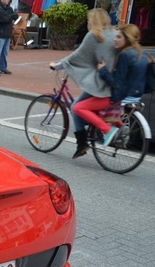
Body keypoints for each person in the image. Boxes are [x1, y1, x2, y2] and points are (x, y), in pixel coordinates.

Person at [49, 8, 116, 158]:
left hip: (101, 83)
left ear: (93, 22)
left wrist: (58, 65)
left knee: (76, 107)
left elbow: (77, 56)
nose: (87, 23)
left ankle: (83, 142)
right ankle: (84, 140)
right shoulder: (114, 34)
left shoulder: (94, 35)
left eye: (88, 20)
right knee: (78, 106)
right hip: (111, 80)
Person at [71, 24, 148, 149]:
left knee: (78, 107)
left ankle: (107, 130)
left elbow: (117, 83)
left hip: (118, 96)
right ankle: (121, 127)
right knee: (95, 108)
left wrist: (103, 71)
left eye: (118, 37)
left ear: (127, 39)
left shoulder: (125, 55)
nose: (115, 39)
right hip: (134, 95)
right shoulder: (142, 54)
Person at [0, 0, 18, 77]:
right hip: (0, 34)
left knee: (5, 52)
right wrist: (12, 16)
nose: (8, 0)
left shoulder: (9, 8)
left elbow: (10, 17)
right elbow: (4, 19)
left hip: (7, 33)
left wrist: (14, 16)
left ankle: (3, 68)